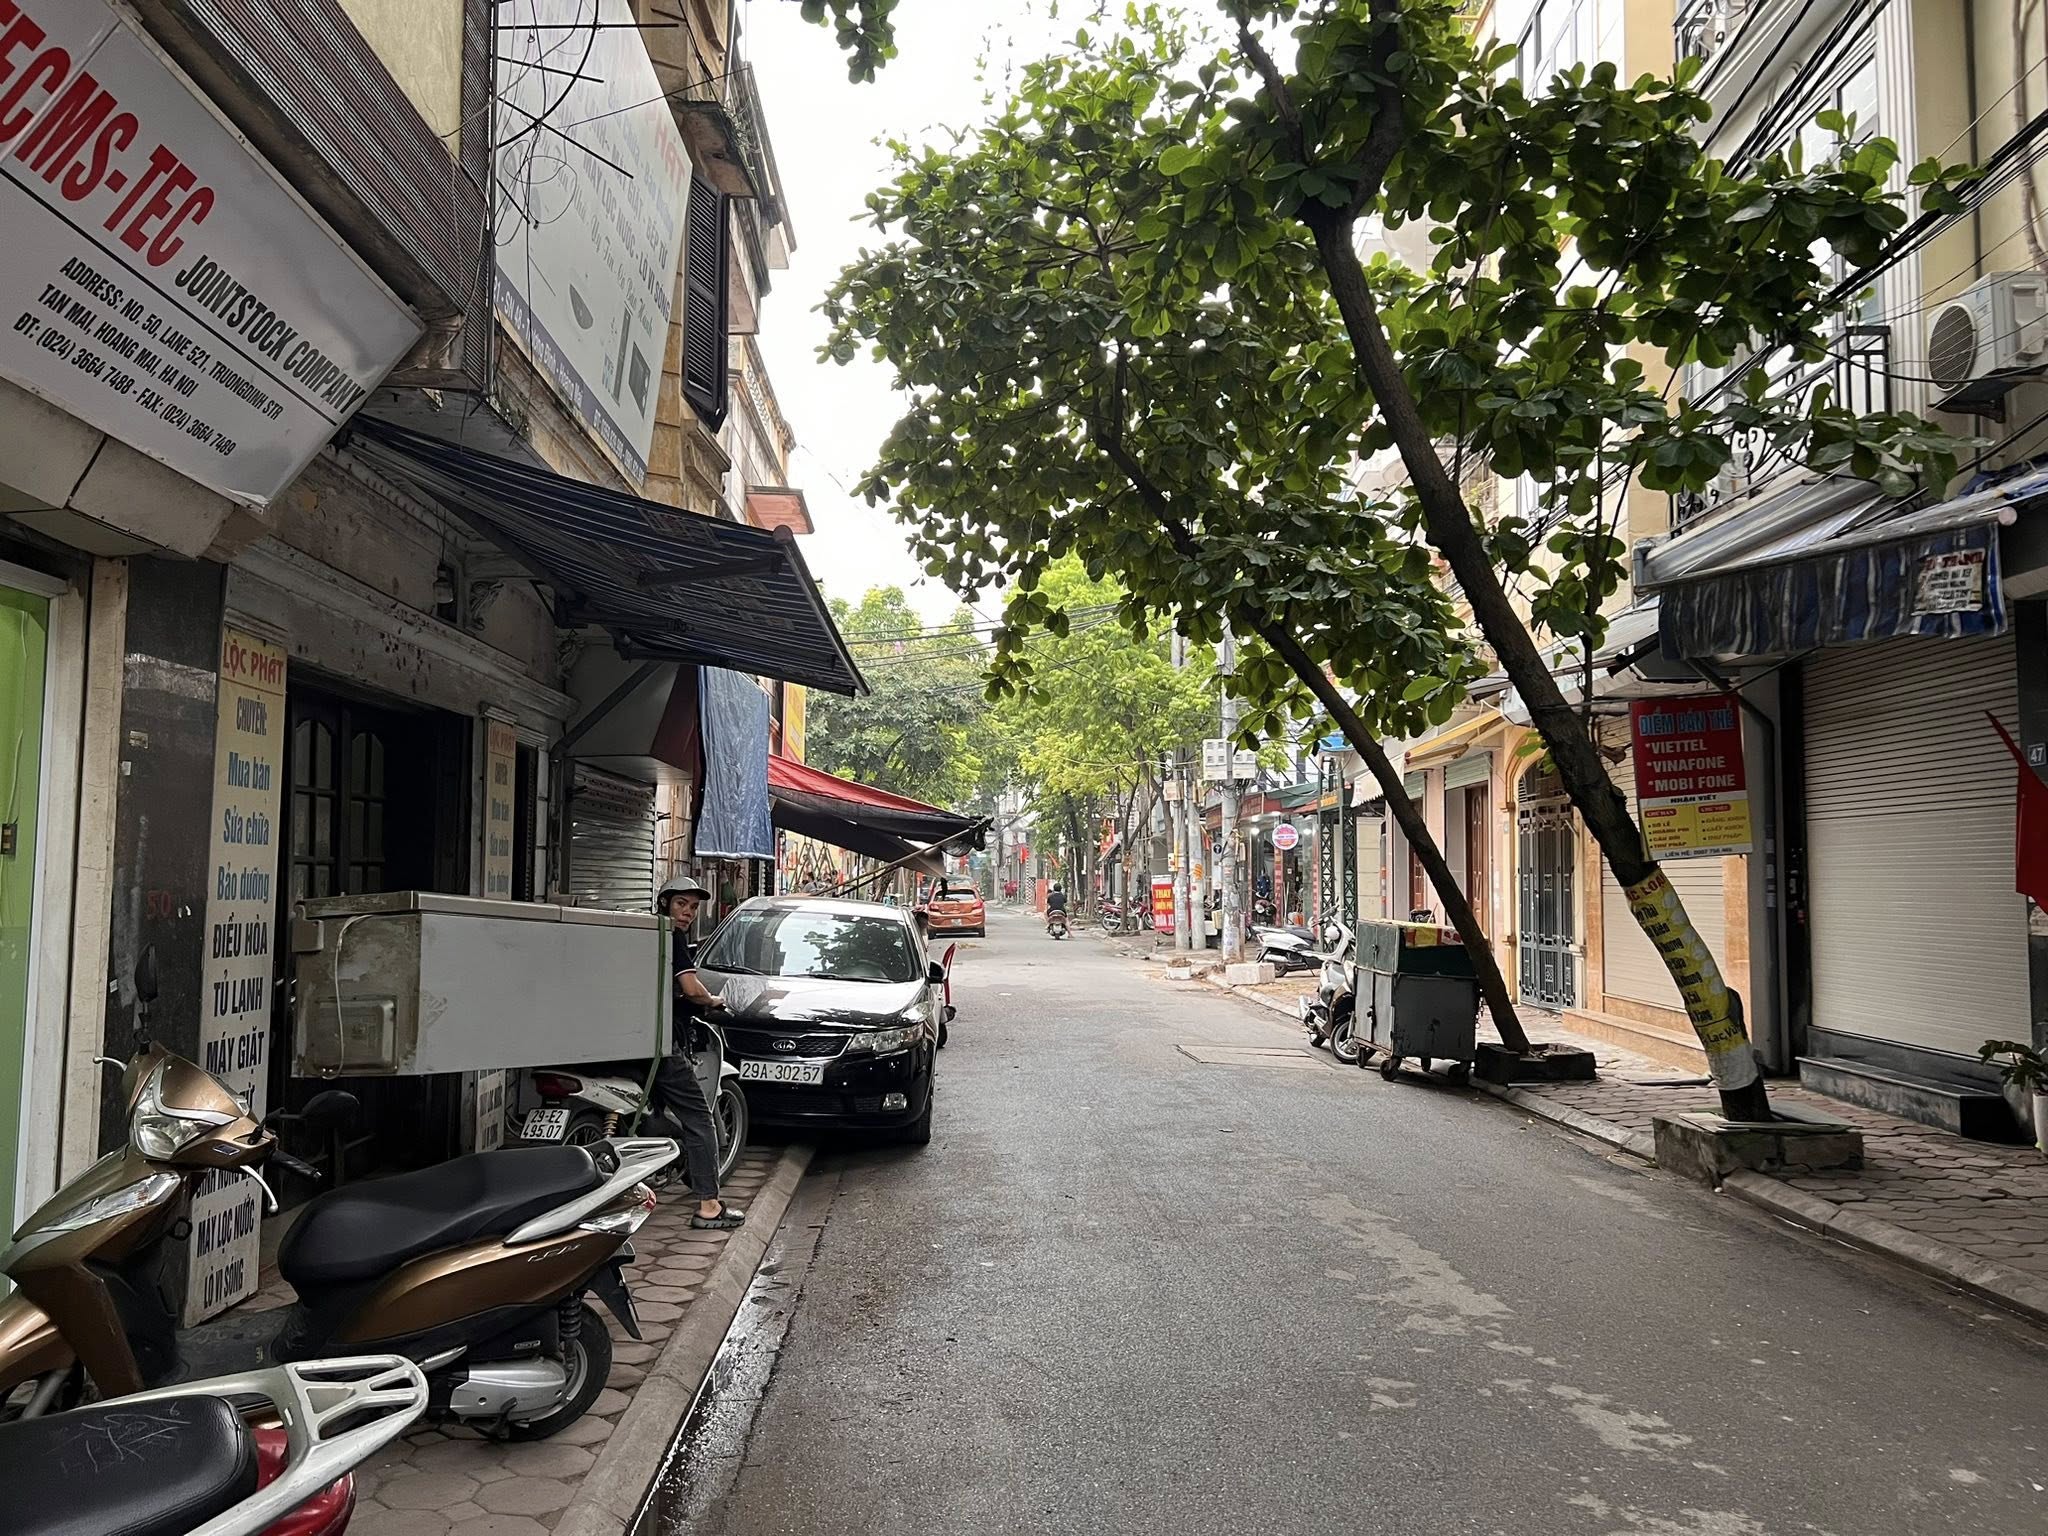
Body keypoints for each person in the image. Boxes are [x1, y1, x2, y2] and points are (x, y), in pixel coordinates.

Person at [652, 876, 744, 1230]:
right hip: (661, 1045)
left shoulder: (641, 932)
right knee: (699, 1118)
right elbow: (690, 987)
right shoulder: (671, 936)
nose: (687, 913)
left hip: (624, 1042)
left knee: (655, 1109)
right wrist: (712, 999)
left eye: (692, 907)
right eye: (681, 904)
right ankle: (709, 1206)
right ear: (664, 903)